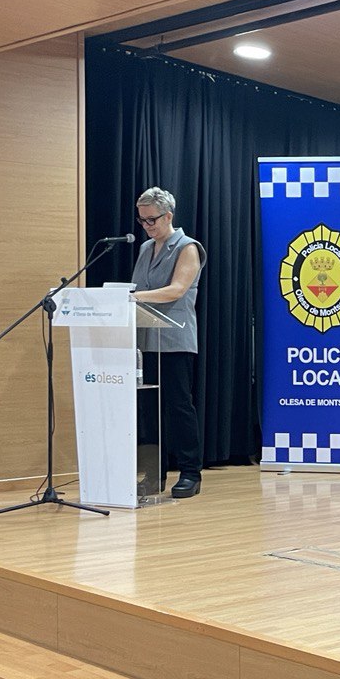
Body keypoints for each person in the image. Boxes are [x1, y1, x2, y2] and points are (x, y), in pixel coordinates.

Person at [130, 187, 207, 499]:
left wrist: (130, 297)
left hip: (175, 338)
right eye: (142, 220)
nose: (147, 225)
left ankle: (190, 472)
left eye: (152, 219)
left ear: (169, 216)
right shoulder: (146, 247)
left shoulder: (187, 247)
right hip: (146, 338)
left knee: (177, 407)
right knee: (149, 409)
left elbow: (176, 290)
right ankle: (153, 474)